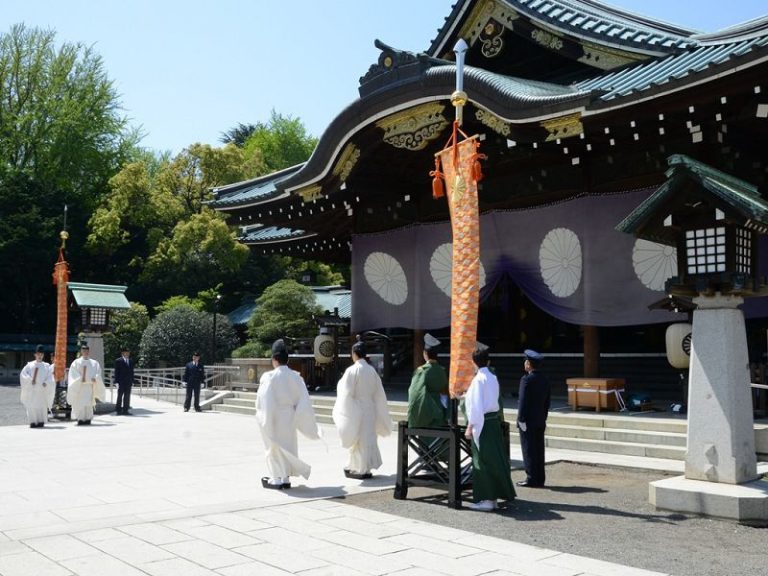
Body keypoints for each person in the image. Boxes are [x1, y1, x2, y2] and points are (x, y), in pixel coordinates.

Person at [255, 339, 321, 489]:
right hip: (289, 415)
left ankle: (276, 478)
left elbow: (265, 399)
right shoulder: (296, 377)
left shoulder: (269, 377)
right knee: (288, 446)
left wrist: (264, 417)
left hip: (274, 414)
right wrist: (299, 416)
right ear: (287, 359)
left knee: (274, 446)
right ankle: (285, 478)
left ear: (274, 359)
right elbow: (304, 400)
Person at [464, 342, 516, 511]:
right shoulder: (492, 377)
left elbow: (476, 406)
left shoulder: (478, 380)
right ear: (488, 361)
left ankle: (486, 498)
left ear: (474, 362)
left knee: (483, 461)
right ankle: (493, 497)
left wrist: (470, 426)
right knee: (494, 460)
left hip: (483, 422)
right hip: (493, 421)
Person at [333, 340, 392, 480]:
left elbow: (346, 392)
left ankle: (361, 468)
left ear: (354, 354)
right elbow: (379, 393)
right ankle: (363, 467)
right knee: (369, 438)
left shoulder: (352, 370)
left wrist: (346, 409)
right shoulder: (372, 371)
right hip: (370, 408)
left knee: (358, 438)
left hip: (357, 408)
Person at [516, 349, 551, 488]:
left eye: (526, 361)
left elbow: (523, 401)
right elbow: (547, 401)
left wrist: (521, 419)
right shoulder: (544, 379)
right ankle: (540, 478)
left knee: (528, 449)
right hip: (540, 419)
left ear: (529, 364)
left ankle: (531, 478)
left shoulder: (526, 379)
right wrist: (544, 417)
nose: (525, 363)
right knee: (539, 449)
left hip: (528, 420)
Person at [407, 333, 449, 430]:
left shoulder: (422, 371)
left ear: (425, 353)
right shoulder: (442, 371)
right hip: (441, 410)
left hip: (427, 412)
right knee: (439, 441)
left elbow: (415, 394)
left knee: (426, 442)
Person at [67, 343, 106, 425]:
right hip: (80, 387)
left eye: (87, 351)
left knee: (88, 403)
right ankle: (80, 419)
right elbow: (73, 375)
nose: (85, 352)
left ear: (89, 351)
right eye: (83, 350)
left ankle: (88, 419)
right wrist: (81, 379)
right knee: (80, 403)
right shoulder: (76, 363)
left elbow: (98, 374)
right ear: (81, 351)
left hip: (89, 387)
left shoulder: (94, 363)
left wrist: (94, 378)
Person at [19, 345, 56, 428]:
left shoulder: (46, 366)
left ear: (43, 355)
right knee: (32, 406)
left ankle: (41, 421)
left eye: (41, 354)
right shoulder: (29, 365)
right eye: (38, 354)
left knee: (41, 406)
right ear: (35, 355)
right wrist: (29, 380)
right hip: (32, 390)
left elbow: (50, 377)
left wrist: (46, 382)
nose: (40, 356)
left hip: (42, 391)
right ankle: (33, 421)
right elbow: (23, 375)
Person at [113, 347, 134, 415]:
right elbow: (116, 372)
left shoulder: (130, 361)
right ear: (122, 353)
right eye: (126, 352)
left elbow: (132, 372)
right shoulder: (118, 360)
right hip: (121, 381)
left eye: (128, 352)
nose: (127, 354)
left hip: (128, 381)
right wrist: (116, 382)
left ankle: (125, 410)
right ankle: (118, 410)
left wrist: (132, 381)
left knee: (127, 396)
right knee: (120, 395)